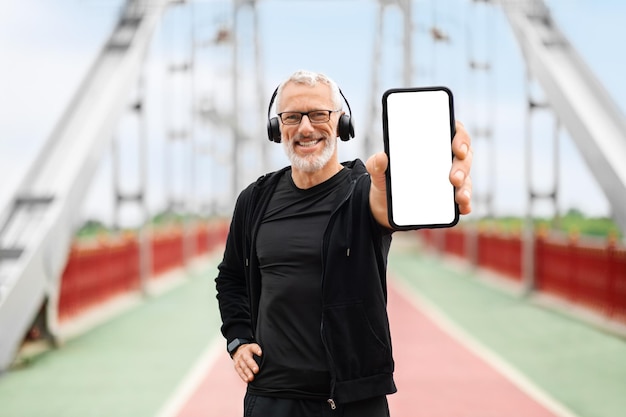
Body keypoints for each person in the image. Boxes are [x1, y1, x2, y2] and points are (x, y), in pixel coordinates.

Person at [215, 69, 473, 417]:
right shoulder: (255, 199)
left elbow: (386, 206)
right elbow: (230, 277)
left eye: (319, 114)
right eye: (292, 117)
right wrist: (238, 339)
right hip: (272, 398)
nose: (305, 128)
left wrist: (434, 168)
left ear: (342, 123)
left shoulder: (365, 191)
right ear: (278, 128)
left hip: (353, 401)